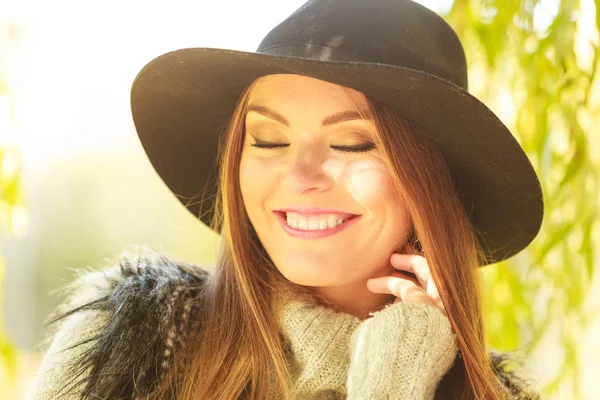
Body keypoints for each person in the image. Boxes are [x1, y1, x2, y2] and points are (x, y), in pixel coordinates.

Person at [30, 0, 545, 399]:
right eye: (269, 141)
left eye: (351, 144)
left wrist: (398, 368)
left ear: (431, 183)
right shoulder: (132, 336)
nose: (299, 176)